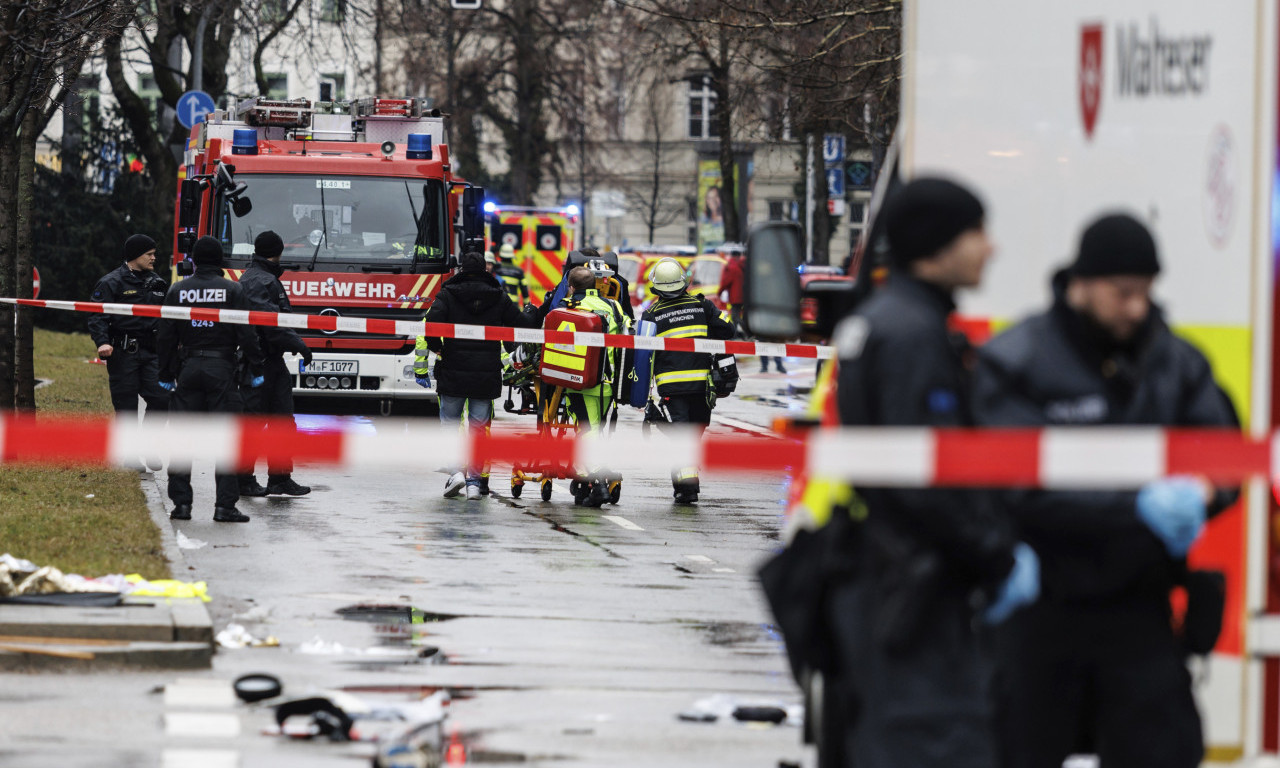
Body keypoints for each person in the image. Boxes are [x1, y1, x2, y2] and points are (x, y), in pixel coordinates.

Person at [972, 212, 1240, 768]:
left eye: (1145, 293)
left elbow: (1226, 456)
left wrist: (1206, 493)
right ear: (1083, 283)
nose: (1137, 308)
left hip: (1138, 608)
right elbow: (1012, 481)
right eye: (1123, 294)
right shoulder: (1019, 360)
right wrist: (1135, 506)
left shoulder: (1175, 363)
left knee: (1165, 751)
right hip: (1043, 607)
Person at [825, 177, 1037, 766]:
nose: (989, 248)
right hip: (919, 594)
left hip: (891, 581)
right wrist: (996, 554)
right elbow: (929, 476)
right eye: (976, 233)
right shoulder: (914, 336)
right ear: (936, 244)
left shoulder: (883, 320)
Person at [158, 237, 265, 523]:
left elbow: (166, 336)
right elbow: (246, 333)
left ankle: (181, 506)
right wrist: (256, 367)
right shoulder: (233, 289)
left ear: (193, 260)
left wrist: (166, 374)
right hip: (221, 368)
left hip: (188, 367)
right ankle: (224, 507)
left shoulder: (177, 290)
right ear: (221, 262)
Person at [415, 251, 532, 500]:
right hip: (485, 374)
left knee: (450, 426)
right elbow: (520, 322)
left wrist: (438, 348)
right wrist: (538, 313)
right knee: (479, 430)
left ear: (461, 269)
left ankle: (456, 472)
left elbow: (430, 324)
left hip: (452, 372)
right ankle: (474, 483)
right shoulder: (499, 296)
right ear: (486, 270)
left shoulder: (447, 294)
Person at [641, 257, 736, 504]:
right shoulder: (702, 307)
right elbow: (728, 330)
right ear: (684, 283)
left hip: (672, 388)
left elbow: (641, 356)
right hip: (702, 388)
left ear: (656, 287)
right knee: (693, 434)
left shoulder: (651, 315)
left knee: (681, 435)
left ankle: (687, 485)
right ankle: (687, 483)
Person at [236, 230, 314, 498]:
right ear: (278, 251)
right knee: (255, 423)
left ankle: (280, 479)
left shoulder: (259, 277)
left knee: (281, 421)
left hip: (270, 361)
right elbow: (271, 323)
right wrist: (300, 345)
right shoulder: (261, 281)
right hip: (258, 361)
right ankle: (243, 480)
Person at [88, 234, 170, 467]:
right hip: (123, 352)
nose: (154, 258)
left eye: (154, 253)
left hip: (152, 352)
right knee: (126, 404)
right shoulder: (111, 282)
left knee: (162, 398)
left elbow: (168, 317)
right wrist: (102, 342)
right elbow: (97, 315)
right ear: (135, 256)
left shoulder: (158, 283)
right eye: (149, 254)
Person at [552, 266, 631, 507]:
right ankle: (589, 478)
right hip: (608, 383)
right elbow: (628, 332)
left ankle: (597, 484)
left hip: (580, 383)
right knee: (595, 429)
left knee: (588, 431)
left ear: (572, 287)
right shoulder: (614, 307)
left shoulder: (567, 307)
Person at [718, 251, 784, 374]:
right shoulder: (752, 268)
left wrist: (720, 291)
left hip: (752, 303)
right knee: (774, 339)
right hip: (758, 304)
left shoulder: (735, 267)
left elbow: (727, 281)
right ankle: (778, 364)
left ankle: (765, 364)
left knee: (761, 336)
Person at [495, 243, 530, 308]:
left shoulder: (496, 269)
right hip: (513, 306)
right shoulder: (519, 271)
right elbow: (524, 290)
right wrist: (526, 307)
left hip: (499, 303)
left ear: (501, 255)